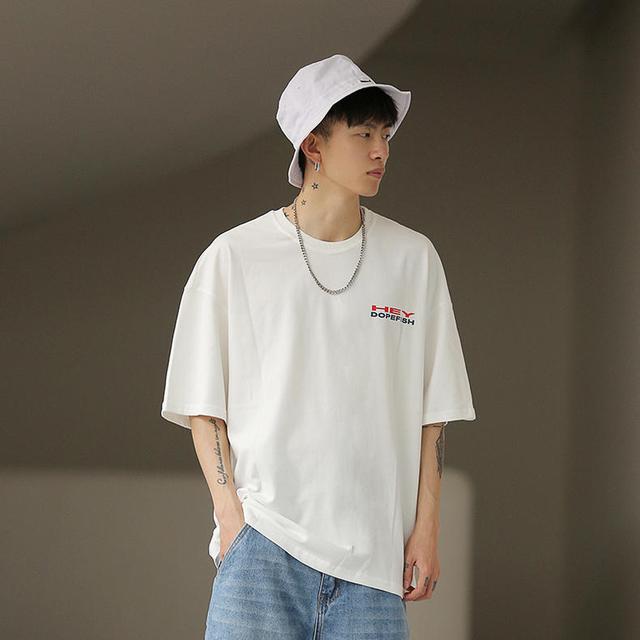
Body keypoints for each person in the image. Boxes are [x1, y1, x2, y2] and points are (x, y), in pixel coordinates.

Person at [160, 53, 476, 639]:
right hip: (263, 549)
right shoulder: (233, 257)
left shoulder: (414, 260)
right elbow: (202, 406)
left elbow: (433, 414)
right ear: (313, 145)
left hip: (374, 564)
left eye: (385, 136)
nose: (381, 151)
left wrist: (426, 528)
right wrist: (232, 519)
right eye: (363, 135)